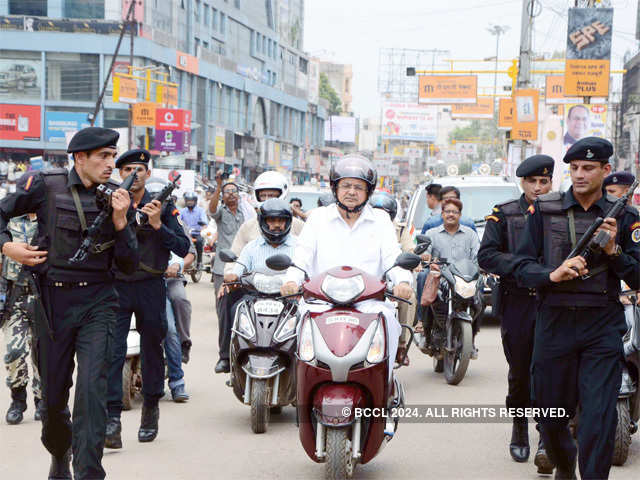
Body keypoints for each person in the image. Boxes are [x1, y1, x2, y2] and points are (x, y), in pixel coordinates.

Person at [0, 127, 139, 480]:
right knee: (51, 401)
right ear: (80, 158)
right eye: (103, 156)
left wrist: (122, 223)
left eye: (113, 155)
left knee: (92, 395)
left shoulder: (119, 199)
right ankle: (59, 453)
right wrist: (8, 247)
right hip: (52, 303)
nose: (111, 164)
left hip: (99, 303)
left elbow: (128, 265)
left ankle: (89, 473)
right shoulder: (45, 186)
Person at [513, 137, 640, 479]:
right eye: (574, 168)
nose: (580, 175)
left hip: (602, 324)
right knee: (551, 417)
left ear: (605, 170)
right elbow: (520, 267)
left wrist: (614, 251)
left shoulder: (626, 215)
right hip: (554, 322)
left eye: (588, 168)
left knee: (598, 419)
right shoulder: (544, 210)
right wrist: (550, 274)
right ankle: (565, 466)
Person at [280, 154, 413, 379]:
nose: (352, 192)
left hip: (369, 305)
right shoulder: (318, 218)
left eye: (359, 187)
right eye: (346, 185)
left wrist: (402, 282)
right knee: (295, 331)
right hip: (320, 304)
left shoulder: (381, 220)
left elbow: (393, 258)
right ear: (335, 188)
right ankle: (300, 387)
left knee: (389, 323)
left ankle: (384, 385)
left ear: (368, 192)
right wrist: (291, 281)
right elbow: (301, 256)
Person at [105, 149, 190, 450]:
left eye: (139, 168)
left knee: (153, 349)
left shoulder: (163, 206)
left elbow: (183, 246)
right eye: (127, 169)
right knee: (112, 352)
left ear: (148, 172)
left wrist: (158, 225)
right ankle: (112, 418)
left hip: (151, 285)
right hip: (117, 286)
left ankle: (151, 408)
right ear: (120, 173)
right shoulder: (111, 201)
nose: (134, 174)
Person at [477, 154, 554, 471]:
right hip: (518, 302)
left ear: (551, 182)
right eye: (532, 181)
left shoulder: (564, 213)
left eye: (544, 181)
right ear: (522, 183)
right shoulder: (504, 215)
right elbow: (487, 256)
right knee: (521, 370)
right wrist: (524, 267)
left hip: (554, 303)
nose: (538, 187)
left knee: (551, 371)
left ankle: (545, 435)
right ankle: (520, 423)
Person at [214, 171, 302, 373]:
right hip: (254, 289)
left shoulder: (299, 234)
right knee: (230, 301)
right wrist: (230, 278)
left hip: (291, 293)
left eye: (280, 221)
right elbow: (237, 260)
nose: (276, 225)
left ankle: (308, 361)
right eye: (264, 195)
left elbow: (309, 262)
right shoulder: (250, 236)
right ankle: (228, 356)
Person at [419, 197, 481, 356]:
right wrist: (426, 258)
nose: (451, 214)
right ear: (442, 214)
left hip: (464, 277)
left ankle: (471, 340)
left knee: (479, 294)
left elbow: (478, 255)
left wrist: (483, 266)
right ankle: (426, 333)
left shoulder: (471, 234)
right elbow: (424, 253)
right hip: (440, 276)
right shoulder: (432, 233)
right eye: (448, 211)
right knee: (424, 277)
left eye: (455, 212)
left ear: (460, 215)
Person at [2, 213, 41, 425]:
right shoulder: (8, 221)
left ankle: (42, 399)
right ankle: (18, 399)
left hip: (42, 296)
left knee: (43, 351)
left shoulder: (48, 216)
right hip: (14, 296)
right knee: (13, 351)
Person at [369, 190, 415, 365]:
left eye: (385, 214)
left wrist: (403, 279)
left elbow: (405, 252)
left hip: (391, 281)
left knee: (409, 297)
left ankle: (401, 345)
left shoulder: (400, 229)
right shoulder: (360, 228)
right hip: (363, 284)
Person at [163, 248, 195, 402]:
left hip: (171, 278)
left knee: (170, 329)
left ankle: (177, 382)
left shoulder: (174, 224)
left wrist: (177, 265)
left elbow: (186, 250)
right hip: (142, 281)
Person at [208, 172, 245, 295]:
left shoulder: (245, 213)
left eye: (234, 191)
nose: (231, 194)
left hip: (242, 265)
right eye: (227, 192)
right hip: (222, 266)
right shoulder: (221, 213)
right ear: (222, 197)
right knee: (222, 301)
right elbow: (212, 210)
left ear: (238, 195)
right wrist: (218, 187)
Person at [180, 191, 208, 269]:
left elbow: (205, 223)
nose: (190, 202)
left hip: (197, 233)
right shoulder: (182, 211)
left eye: (192, 201)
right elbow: (178, 220)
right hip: (185, 233)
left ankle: (199, 262)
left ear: (195, 201)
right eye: (188, 200)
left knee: (199, 242)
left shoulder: (200, 211)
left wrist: (203, 229)